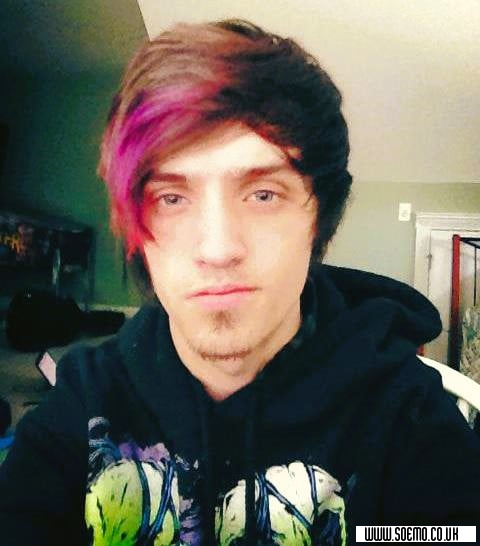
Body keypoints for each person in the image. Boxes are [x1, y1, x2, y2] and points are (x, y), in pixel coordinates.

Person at [0, 19, 479, 546]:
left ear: (319, 219)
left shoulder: (410, 422)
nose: (218, 248)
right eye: (171, 198)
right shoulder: (82, 403)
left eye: (263, 195)